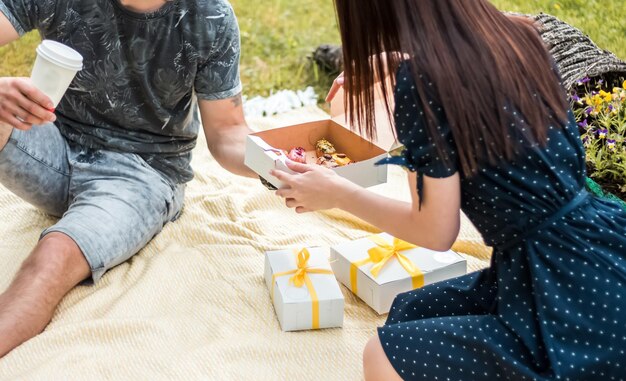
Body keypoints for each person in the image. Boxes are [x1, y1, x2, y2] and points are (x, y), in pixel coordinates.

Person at [271, 1, 626, 380]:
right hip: (597, 243)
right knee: (408, 311)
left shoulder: (421, 86)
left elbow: (435, 230)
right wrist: (401, 62)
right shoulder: (521, 34)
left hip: (566, 294)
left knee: (381, 356)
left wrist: (337, 193)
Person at [0, 0, 257, 357]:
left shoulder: (208, 15)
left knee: (52, 258)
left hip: (142, 172)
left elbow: (228, 132)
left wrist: (276, 165)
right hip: (51, 141)